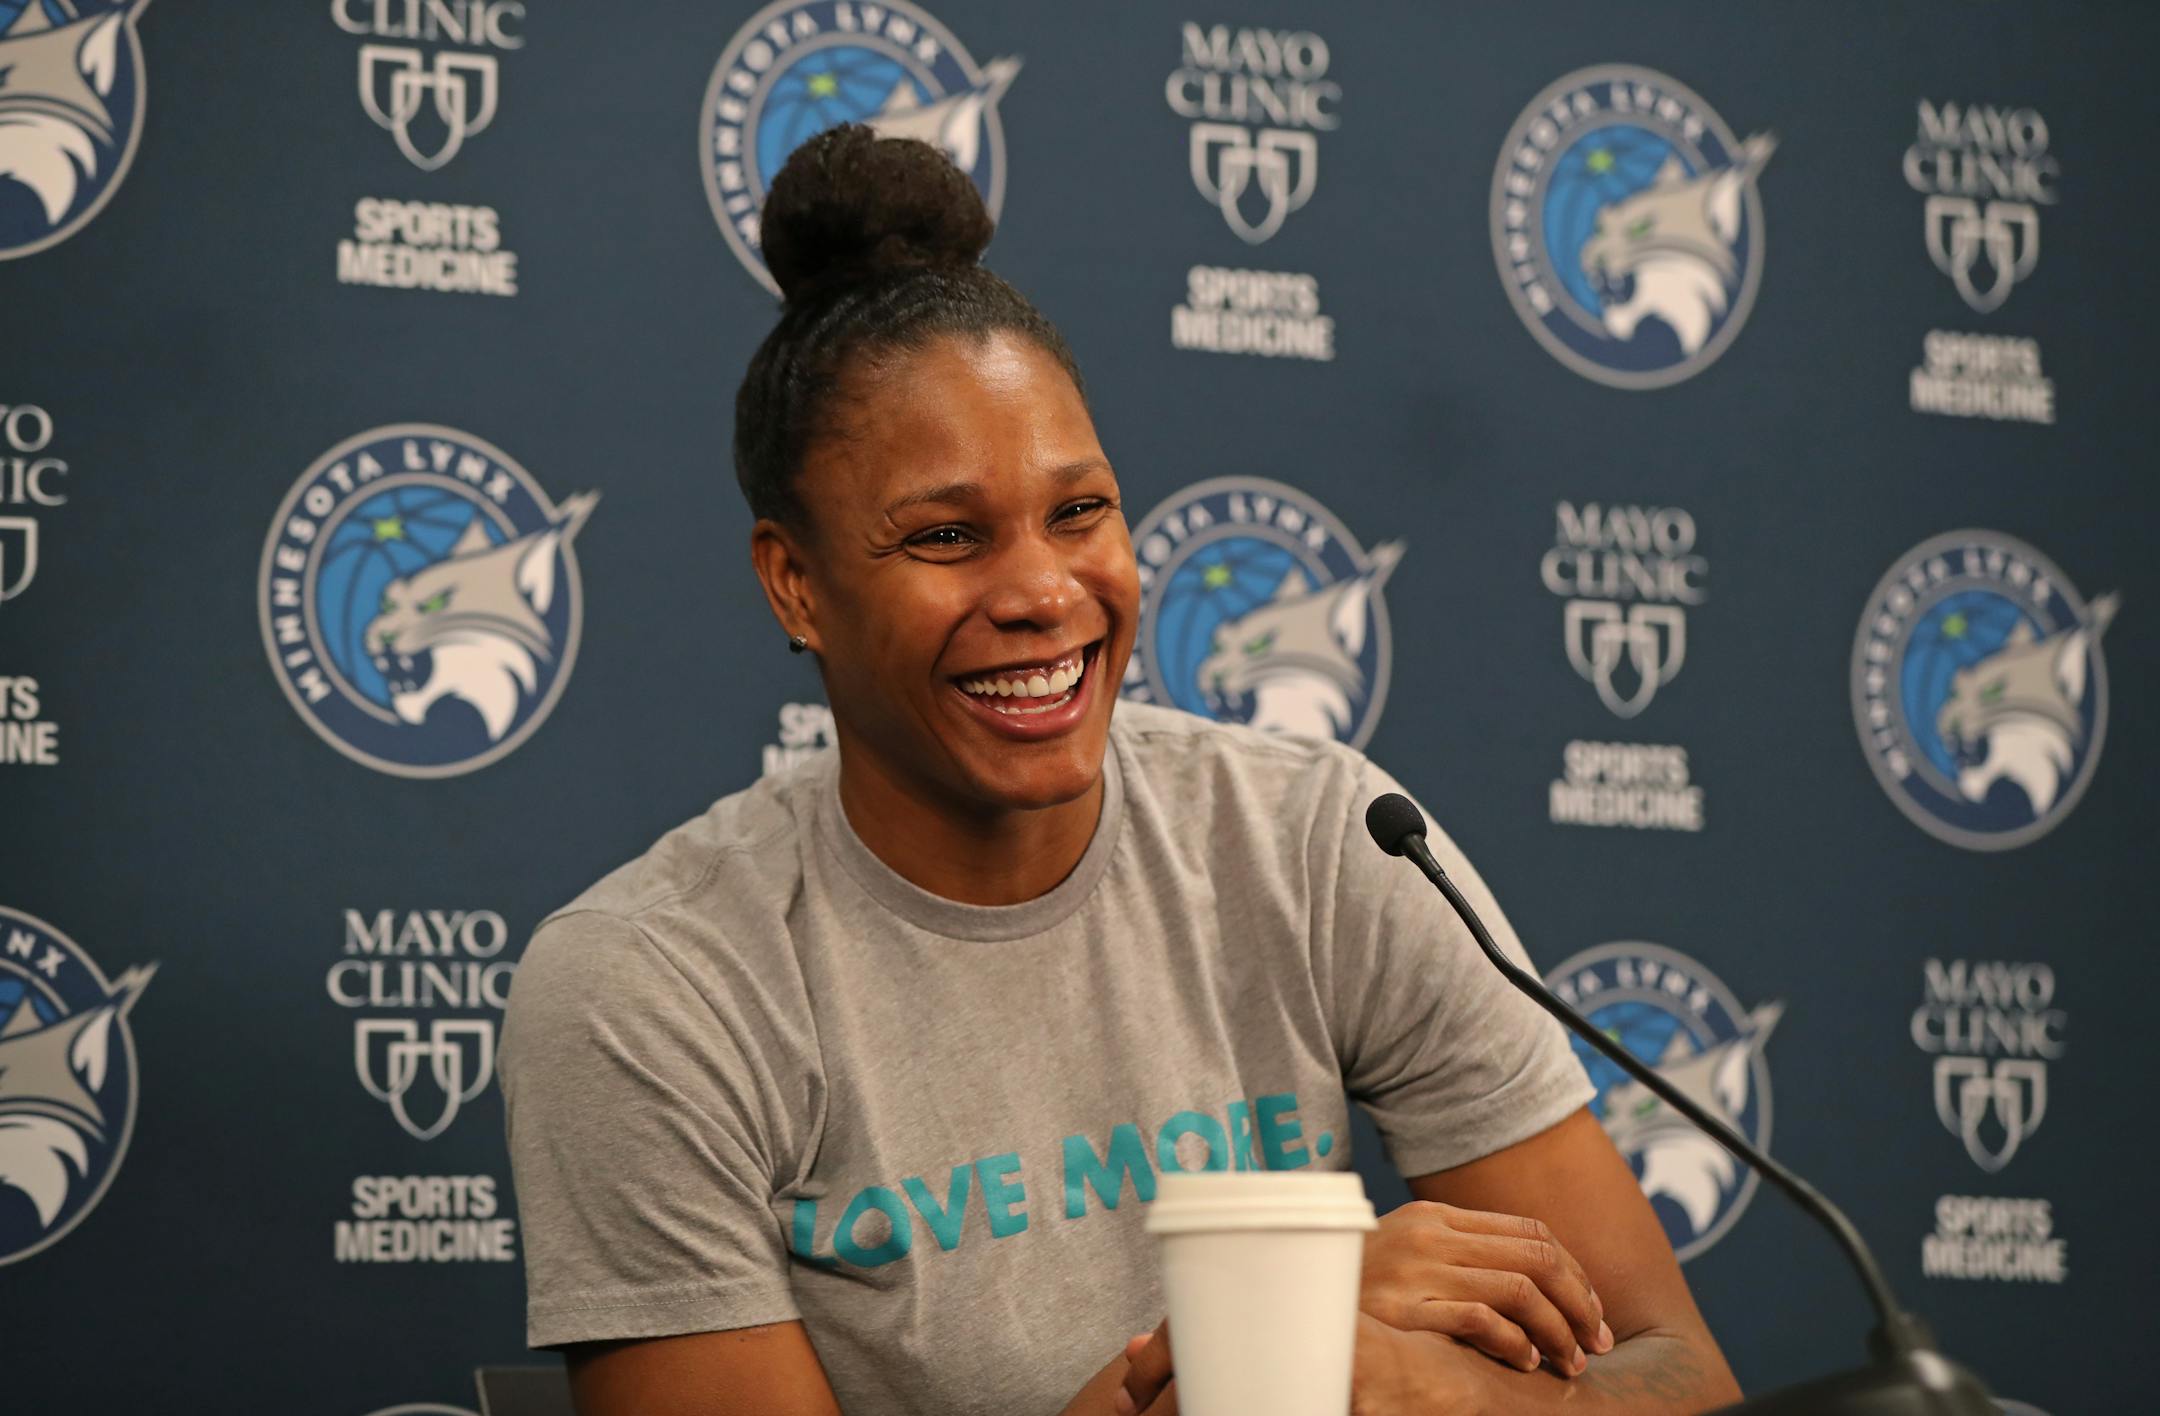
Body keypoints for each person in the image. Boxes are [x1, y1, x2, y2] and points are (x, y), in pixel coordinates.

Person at [498, 124, 1740, 1416]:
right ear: (796, 584)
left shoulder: (1327, 842)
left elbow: (1684, 1377)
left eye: (1079, 511)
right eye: (946, 536)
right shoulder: (646, 989)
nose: (1044, 591)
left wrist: (1434, 1392)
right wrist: (1262, 1345)